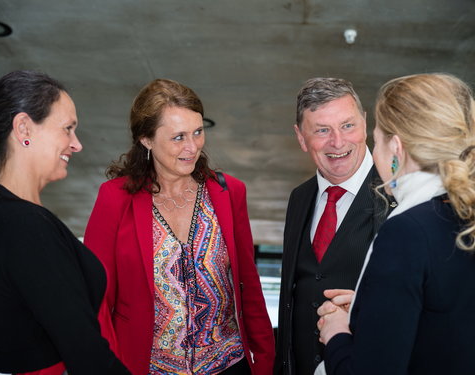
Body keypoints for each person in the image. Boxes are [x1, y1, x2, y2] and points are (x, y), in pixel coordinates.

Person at [84, 78, 275, 375]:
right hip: (146, 367)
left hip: (229, 364)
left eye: (198, 133)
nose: (192, 147)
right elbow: (95, 297)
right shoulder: (114, 199)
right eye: (178, 137)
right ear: (146, 139)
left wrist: (264, 362)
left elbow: (248, 286)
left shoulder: (229, 193)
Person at [317, 73, 475, 374]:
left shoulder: (407, 230)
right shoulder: (460, 214)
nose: (374, 153)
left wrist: (337, 332)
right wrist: (371, 305)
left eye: (375, 141)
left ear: (397, 149)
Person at [0, 70, 131, 375]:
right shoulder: (25, 226)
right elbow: (86, 353)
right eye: (67, 129)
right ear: (24, 128)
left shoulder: (13, 218)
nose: (77, 144)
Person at [274, 78, 394, 374]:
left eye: (348, 126)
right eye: (322, 130)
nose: (338, 142)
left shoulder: (399, 193)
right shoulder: (299, 198)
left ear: (365, 124)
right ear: (301, 138)